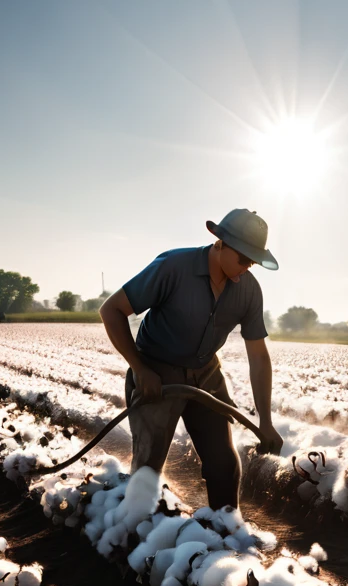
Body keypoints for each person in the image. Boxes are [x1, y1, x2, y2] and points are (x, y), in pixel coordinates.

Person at [99, 209, 284, 509]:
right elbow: (111, 310)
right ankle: (132, 533)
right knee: (147, 465)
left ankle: (224, 532)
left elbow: (259, 357)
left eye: (253, 260)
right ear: (221, 243)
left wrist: (265, 420)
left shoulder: (248, 290)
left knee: (225, 463)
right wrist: (140, 368)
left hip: (207, 373)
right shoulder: (173, 266)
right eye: (244, 258)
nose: (248, 266)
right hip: (156, 370)